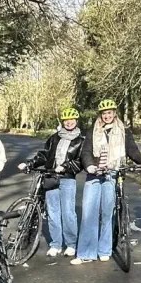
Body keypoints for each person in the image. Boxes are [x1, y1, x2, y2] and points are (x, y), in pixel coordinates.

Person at [73, 99, 141, 264]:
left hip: (112, 174)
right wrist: (89, 166)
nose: (107, 116)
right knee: (89, 213)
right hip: (94, 175)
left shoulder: (123, 130)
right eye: (104, 113)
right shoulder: (92, 131)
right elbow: (86, 151)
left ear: (114, 113)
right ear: (100, 115)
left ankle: (104, 249)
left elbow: (132, 150)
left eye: (110, 113)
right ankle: (86, 252)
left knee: (108, 213)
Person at [18, 107, 85, 258]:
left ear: (76, 121)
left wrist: (66, 167)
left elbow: (80, 161)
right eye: (66, 120)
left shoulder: (81, 141)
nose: (69, 123)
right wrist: (29, 164)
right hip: (50, 177)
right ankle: (56, 244)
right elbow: (44, 155)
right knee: (53, 212)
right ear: (63, 122)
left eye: (72, 120)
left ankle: (71, 244)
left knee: (68, 213)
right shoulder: (54, 138)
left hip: (67, 179)